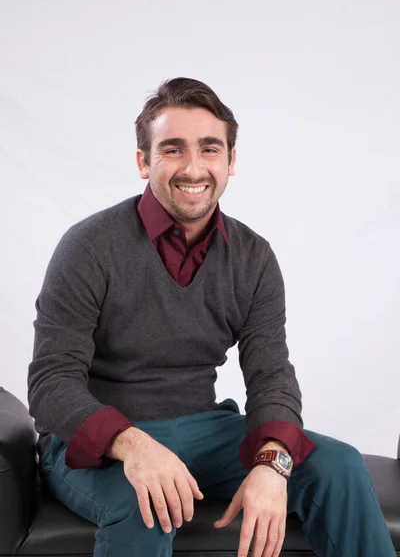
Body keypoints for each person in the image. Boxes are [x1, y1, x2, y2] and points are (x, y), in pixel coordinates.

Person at [28, 77, 396, 557]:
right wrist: (134, 446)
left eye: (209, 148)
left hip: (205, 429)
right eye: (173, 149)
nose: (193, 167)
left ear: (230, 161)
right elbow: (51, 381)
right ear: (144, 161)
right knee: (147, 504)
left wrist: (271, 463)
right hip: (101, 443)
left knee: (340, 464)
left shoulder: (253, 257)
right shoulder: (89, 246)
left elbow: (271, 374)